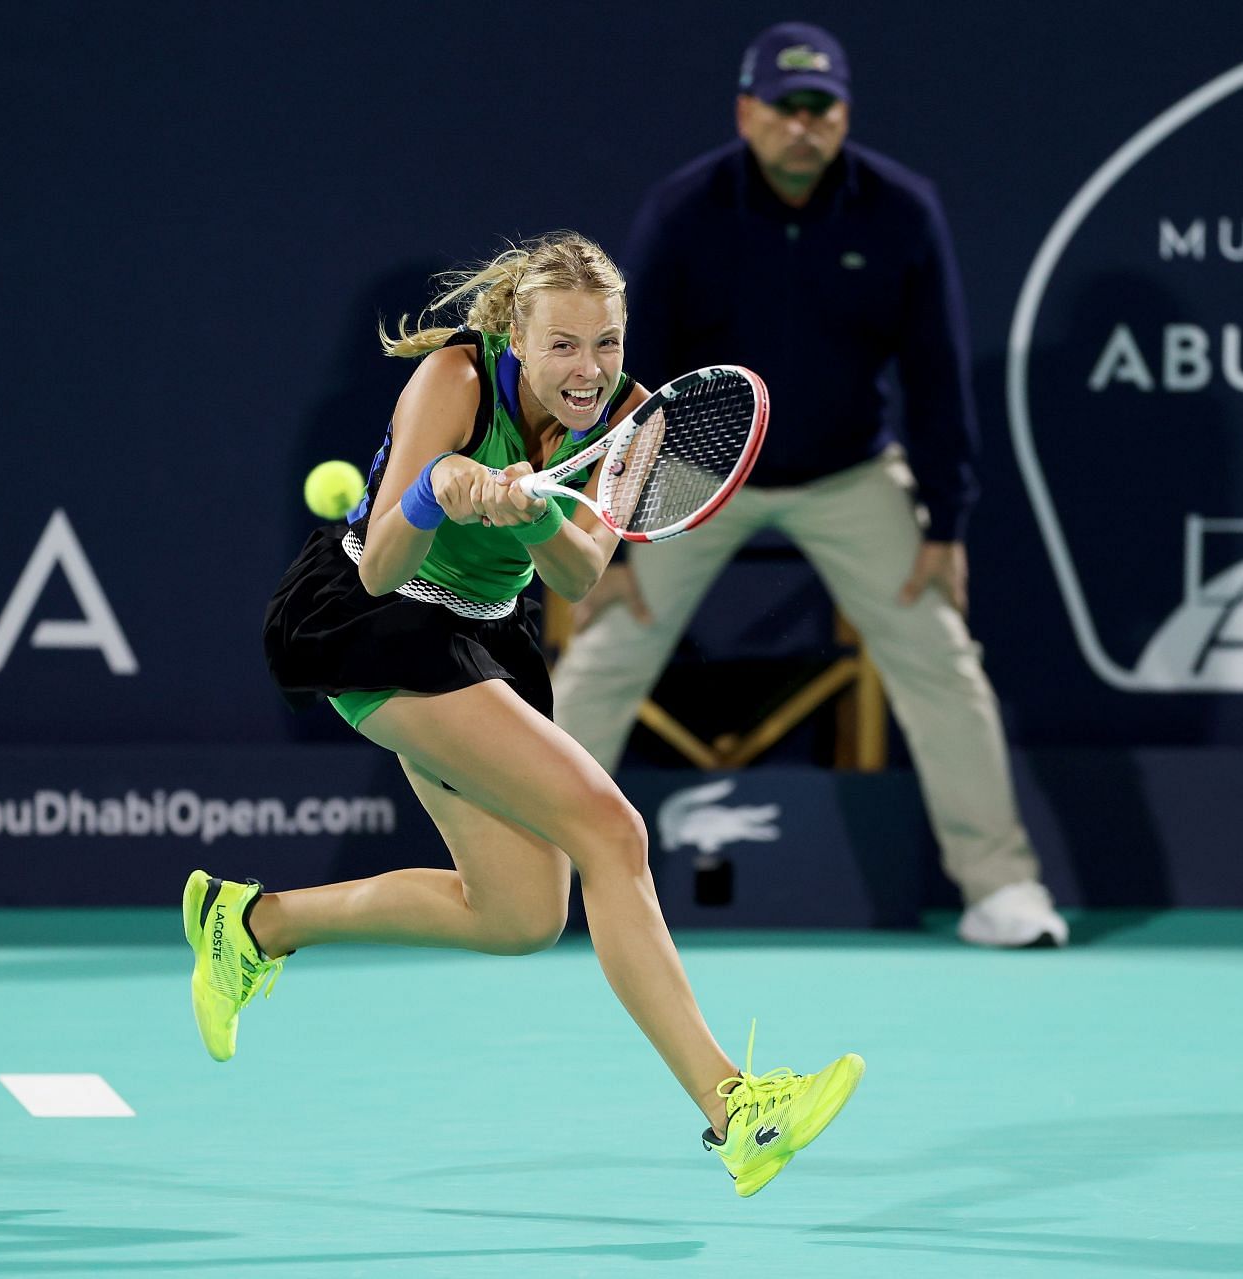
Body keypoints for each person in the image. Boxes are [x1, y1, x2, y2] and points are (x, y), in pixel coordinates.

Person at [193, 233, 861, 1199]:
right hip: (371, 618)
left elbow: (583, 570)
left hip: (484, 633)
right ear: (515, 332)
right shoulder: (453, 381)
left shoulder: (638, 419)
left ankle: (252, 926)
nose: (588, 370)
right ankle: (736, 1108)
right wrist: (439, 487)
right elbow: (381, 564)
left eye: (607, 343)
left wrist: (531, 514)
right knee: (613, 830)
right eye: (562, 346)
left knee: (519, 914)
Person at [549, 22, 1068, 949]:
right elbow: (629, 374)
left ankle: (1001, 888)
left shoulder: (903, 211)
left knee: (940, 656)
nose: (801, 124)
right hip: (693, 468)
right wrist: (611, 522)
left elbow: (937, 376)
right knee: (605, 649)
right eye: (782, 107)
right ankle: (531, 877)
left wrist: (944, 524)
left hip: (849, 473)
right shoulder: (685, 209)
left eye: (819, 107)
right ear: (747, 113)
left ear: (843, 115)